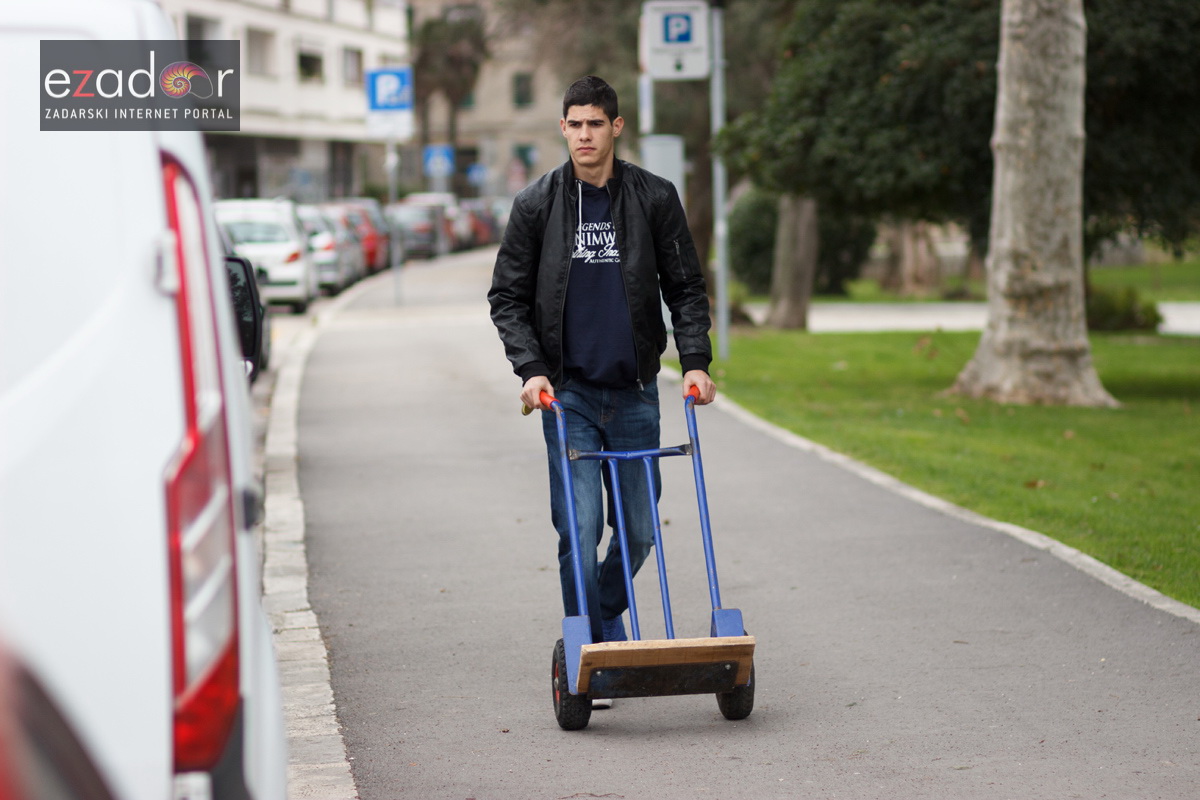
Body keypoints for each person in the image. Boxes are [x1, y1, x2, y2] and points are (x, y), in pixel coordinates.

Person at [488, 75, 716, 684]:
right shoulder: (536, 205)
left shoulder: (655, 197)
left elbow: (686, 289)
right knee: (579, 529)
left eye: (596, 123)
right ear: (562, 128)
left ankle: (602, 614)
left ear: (616, 127)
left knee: (640, 534)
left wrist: (695, 361)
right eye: (575, 124)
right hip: (570, 399)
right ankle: (590, 652)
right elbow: (506, 297)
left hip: (636, 392)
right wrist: (532, 371)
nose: (585, 135)